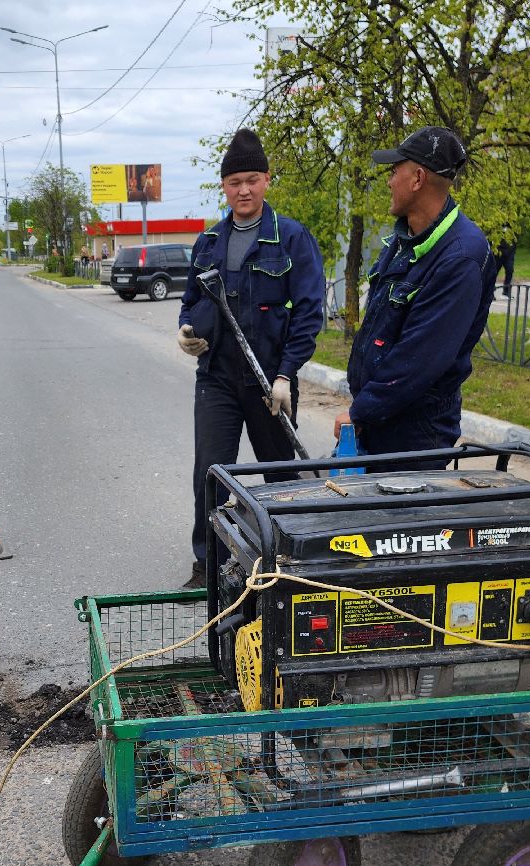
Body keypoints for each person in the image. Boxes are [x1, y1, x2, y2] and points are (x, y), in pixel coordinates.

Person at [177, 128, 325, 589]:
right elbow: (189, 304)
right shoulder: (208, 242)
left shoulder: (292, 239)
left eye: (252, 180)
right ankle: (209, 566)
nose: (243, 190)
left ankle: (287, 561)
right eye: (235, 181)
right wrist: (185, 333)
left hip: (269, 383)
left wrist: (285, 375)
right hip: (217, 377)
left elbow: (308, 313)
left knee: (280, 474)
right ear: (224, 186)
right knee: (212, 472)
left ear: (266, 180)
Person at [337, 126, 497, 468]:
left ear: (417, 178)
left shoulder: (461, 256)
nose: (389, 181)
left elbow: (420, 359)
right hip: (383, 420)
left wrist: (361, 411)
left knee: (394, 521)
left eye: (395, 172)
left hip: (414, 436)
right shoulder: (406, 240)